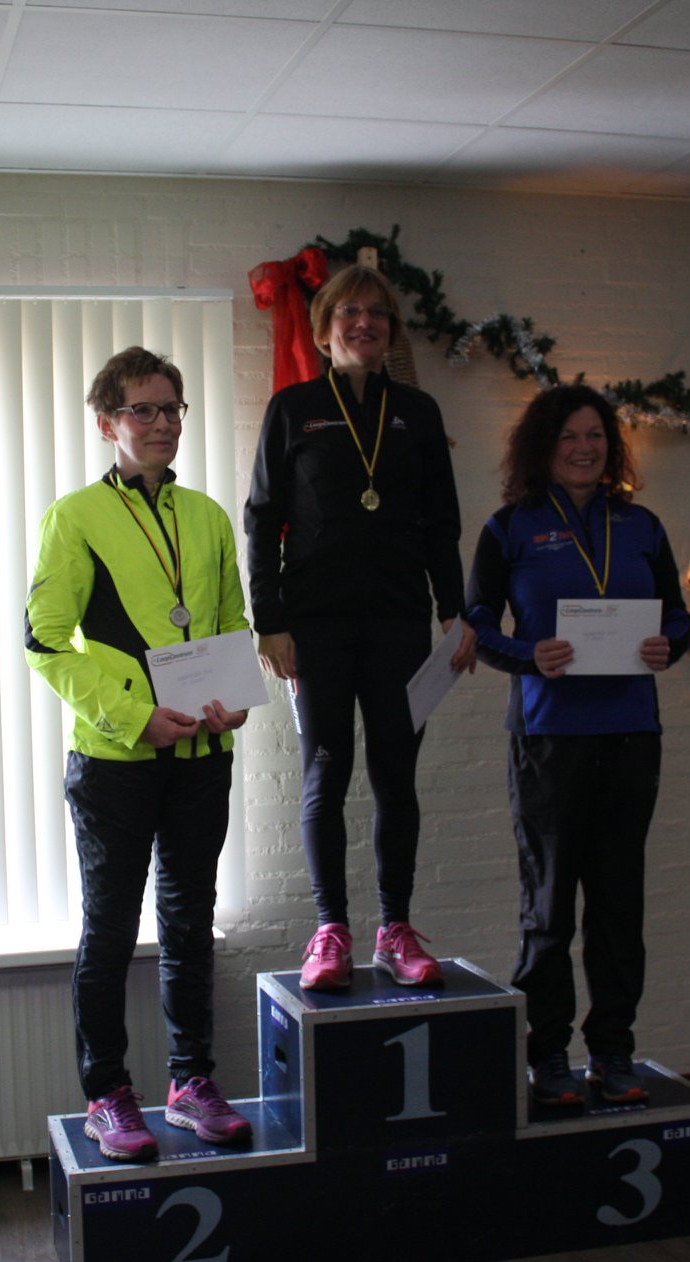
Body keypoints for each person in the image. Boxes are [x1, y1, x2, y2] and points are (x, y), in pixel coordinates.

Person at [26, 346, 253, 1162]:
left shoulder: (209, 517)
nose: (161, 424)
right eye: (142, 410)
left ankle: (191, 1083)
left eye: (172, 409)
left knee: (190, 922)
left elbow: (229, 625)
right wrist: (134, 717)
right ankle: (107, 1096)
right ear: (107, 424)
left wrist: (234, 698)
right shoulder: (75, 517)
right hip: (115, 762)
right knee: (112, 929)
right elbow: (45, 642)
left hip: (202, 756)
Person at [245, 263, 476, 993]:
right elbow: (262, 520)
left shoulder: (418, 412)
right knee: (326, 771)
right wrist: (269, 621)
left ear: (390, 330)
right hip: (315, 624)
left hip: (399, 621)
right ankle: (330, 931)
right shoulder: (294, 408)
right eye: (349, 312)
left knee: (395, 776)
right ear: (325, 328)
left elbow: (442, 521)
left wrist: (453, 609)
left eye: (377, 313)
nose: (364, 323)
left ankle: (395, 931)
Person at [463, 385, 690, 1109]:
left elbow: (678, 617)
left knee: (619, 909)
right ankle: (548, 1056)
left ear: (611, 446)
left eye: (595, 436)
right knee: (549, 909)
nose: (584, 448)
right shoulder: (510, 527)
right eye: (569, 437)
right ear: (543, 446)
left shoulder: (642, 525)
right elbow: (476, 624)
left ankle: (613, 1052)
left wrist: (668, 645)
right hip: (549, 740)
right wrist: (529, 654)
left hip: (631, 736)